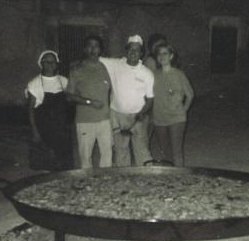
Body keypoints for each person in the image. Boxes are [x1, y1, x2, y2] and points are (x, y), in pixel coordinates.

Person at [100, 35, 154, 167]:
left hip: (138, 116)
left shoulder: (147, 73)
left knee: (142, 150)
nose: (133, 53)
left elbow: (150, 99)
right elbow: (96, 58)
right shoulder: (115, 64)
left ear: (141, 53)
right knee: (121, 150)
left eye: (137, 50)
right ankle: (124, 175)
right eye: (130, 49)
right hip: (117, 115)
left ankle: (146, 176)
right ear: (126, 50)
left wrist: (141, 114)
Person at [66, 35, 113, 168]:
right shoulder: (77, 69)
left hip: (105, 120)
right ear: (85, 49)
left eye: (96, 46)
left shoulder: (107, 68)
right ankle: (88, 180)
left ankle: (106, 180)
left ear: (100, 49)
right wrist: (89, 102)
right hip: (85, 120)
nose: (93, 49)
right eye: (89, 46)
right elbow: (69, 95)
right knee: (85, 158)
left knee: (107, 156)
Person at [25, 50, 74, 170]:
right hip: (45, 128)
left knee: (65, 162)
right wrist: (35, 131)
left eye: (53, 62)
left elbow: (70, 101)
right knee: (49, 162)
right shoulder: (34, 84)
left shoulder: (64, 81)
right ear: (41, 64)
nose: (51, 64)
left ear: (57, 64)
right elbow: (30, 110)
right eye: (47, 62)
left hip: (62, 127)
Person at [151, 44, 194, 166]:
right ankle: (170, 175)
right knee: (165, 152)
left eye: (165, 53)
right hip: (159, 118)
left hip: (176, 119)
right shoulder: (153, 75)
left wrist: (184, 110)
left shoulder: (179, 74)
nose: (162, 56)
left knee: (176, 152)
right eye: (159, 54)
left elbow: (190, 94)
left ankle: (180, 175)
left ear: (171, 56)